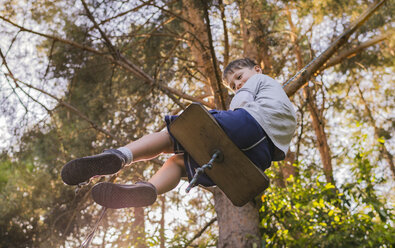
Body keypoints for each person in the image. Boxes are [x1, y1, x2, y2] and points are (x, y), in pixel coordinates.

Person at [61, 58, 297, 209]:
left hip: (248, 125)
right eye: (233, 85)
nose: (238, 85)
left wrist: (236, 107)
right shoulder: (286, 109)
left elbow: (243, 101)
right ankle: (148, 189)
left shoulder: (259, 80)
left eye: (239, 77)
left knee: (173, 136)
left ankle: (121, 155)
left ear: (256, 69)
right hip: (258, 158)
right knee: (178, 163)